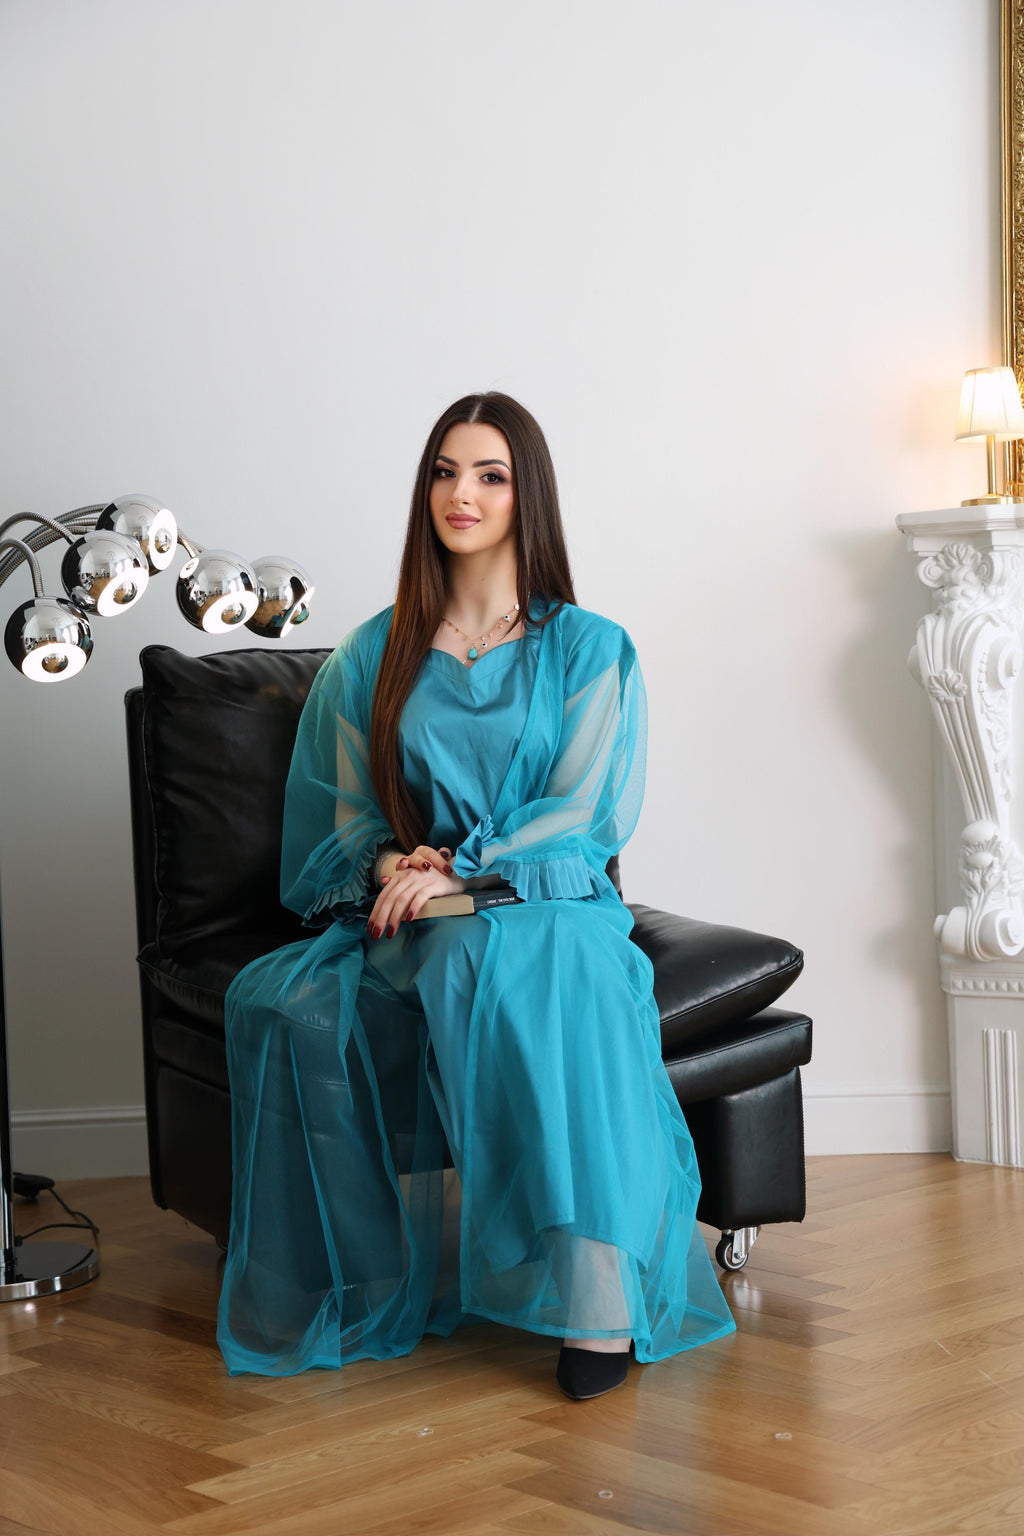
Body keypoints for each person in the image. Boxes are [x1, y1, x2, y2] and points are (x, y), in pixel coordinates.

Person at [216, 390, 736, 1400]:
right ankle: (541, 1268)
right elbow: (342, 824)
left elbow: (583, 808)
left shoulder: (591, 648)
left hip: (548, 895)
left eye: (488, 473)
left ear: (524, 494)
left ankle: (596, 1293)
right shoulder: (374, 653)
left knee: (564, 957)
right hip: (429, 917)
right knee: (461, 948)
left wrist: (465, 863)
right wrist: (398, 870)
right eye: (445, 471)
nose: (462, 492)